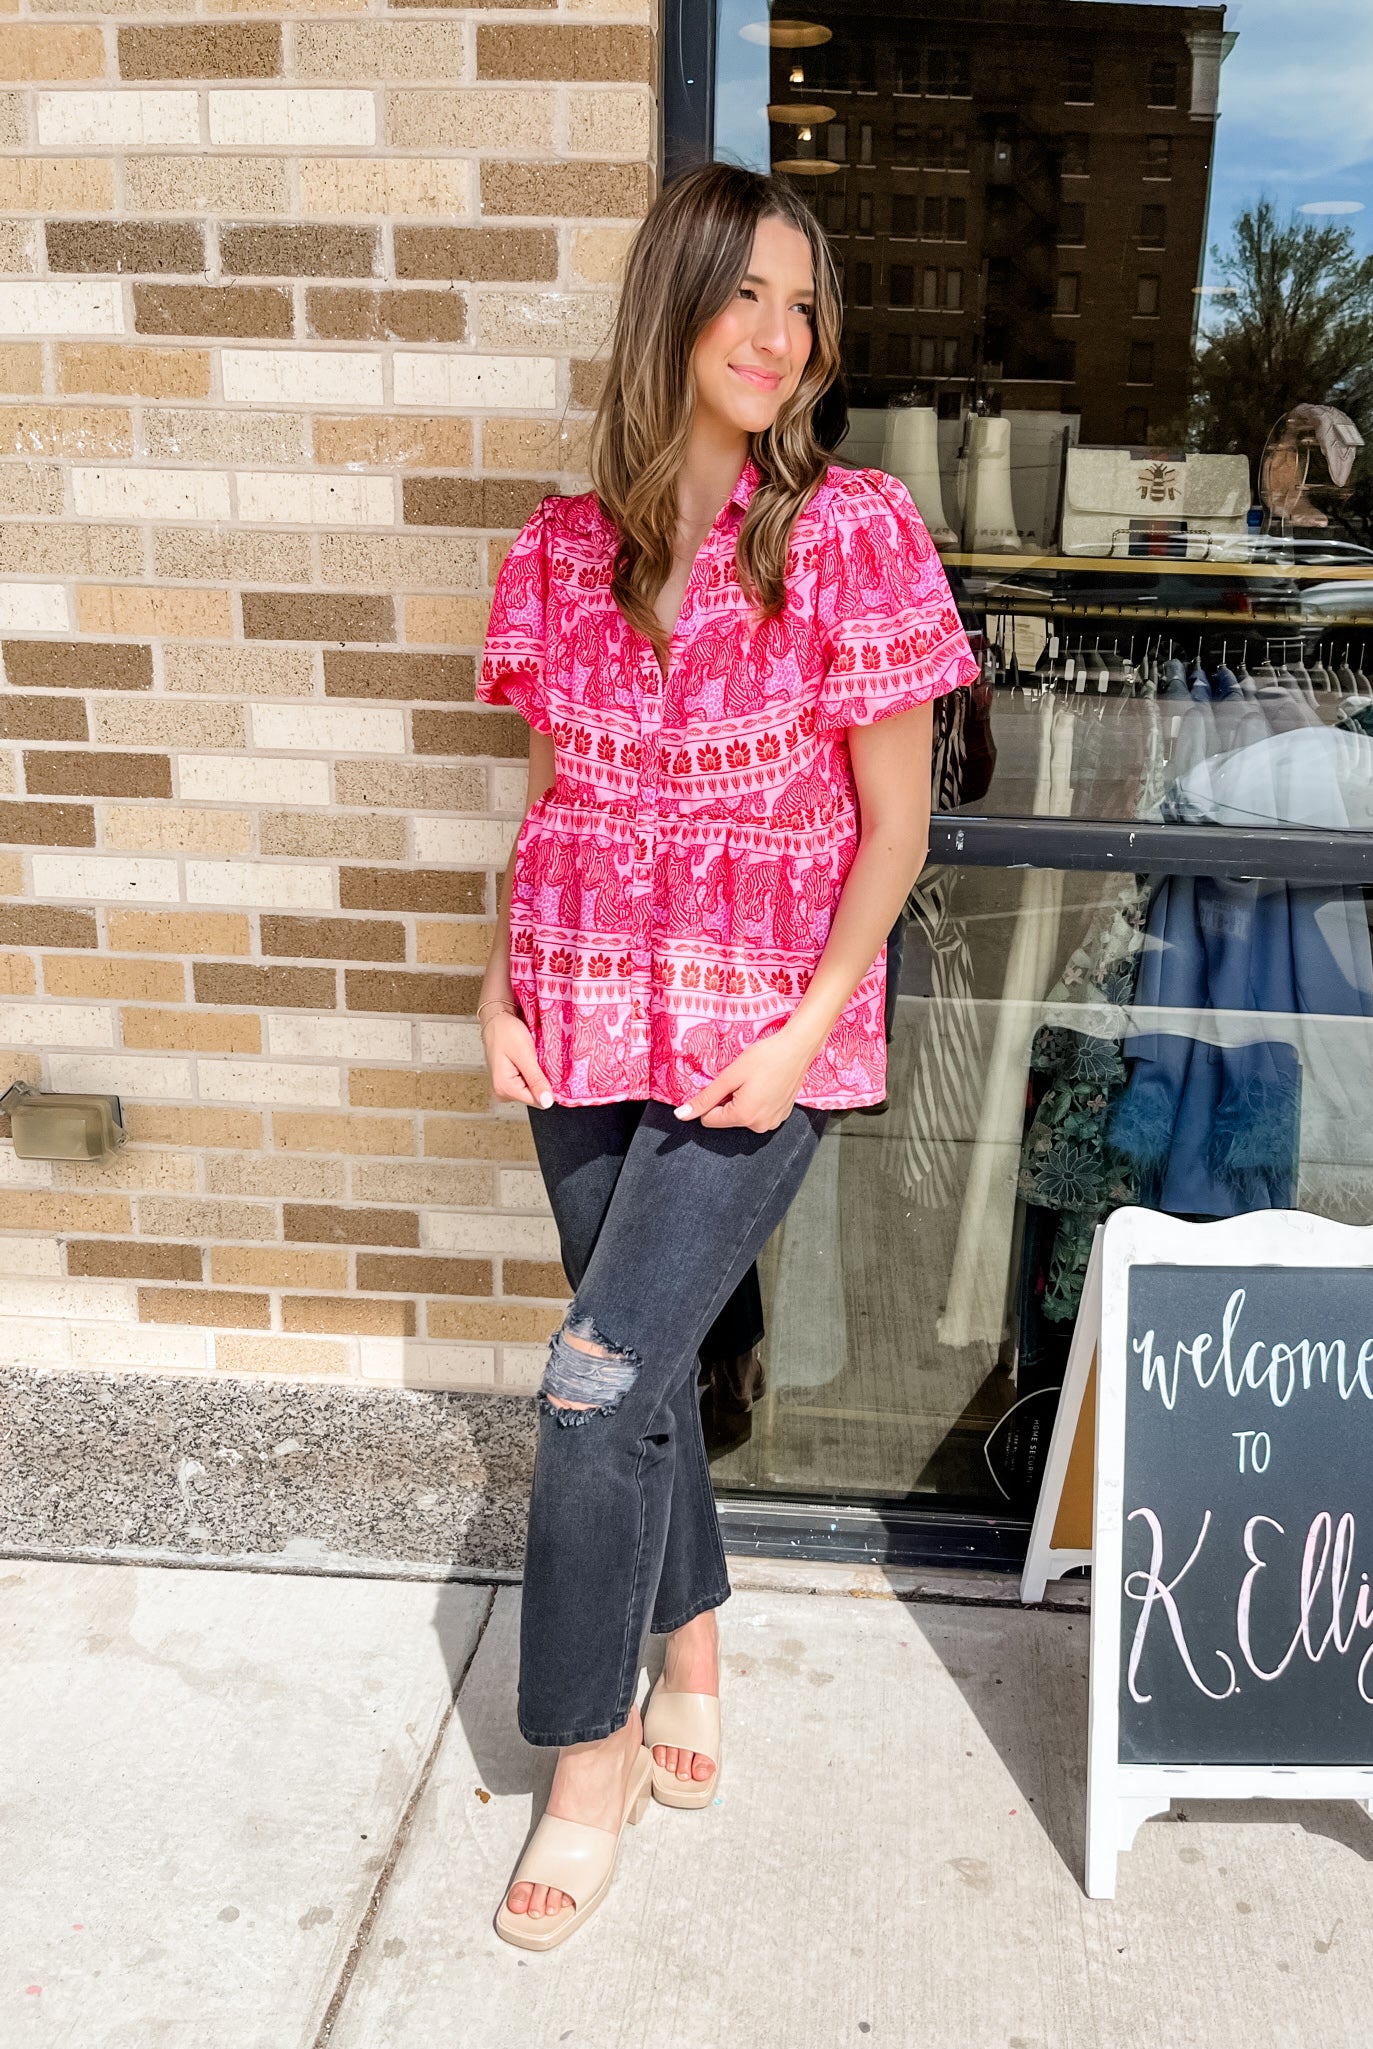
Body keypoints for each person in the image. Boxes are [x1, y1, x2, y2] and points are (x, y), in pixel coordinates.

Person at [474, 161, 977, 1951]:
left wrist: (804, 1031)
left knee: (593, 1383)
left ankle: (581, 1759)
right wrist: (495, 986)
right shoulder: (560, 547)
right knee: (654, 1367)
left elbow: (897, 832)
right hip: (584, 1006)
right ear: (671, 304)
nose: (782, 333)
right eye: (747, 293)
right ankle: (694, 1645)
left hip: (762, 1036)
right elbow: (546, 809)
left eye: (805, 302)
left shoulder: (852, 533)